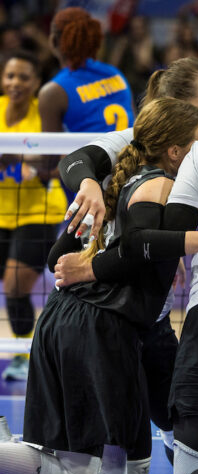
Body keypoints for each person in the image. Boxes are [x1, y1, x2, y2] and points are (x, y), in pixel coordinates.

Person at [0, 97, 198, 474]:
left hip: (64, 318)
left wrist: (99, 258)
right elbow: (140, 242)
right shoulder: (159, 183)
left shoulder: (116, 181)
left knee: (84, 462)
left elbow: (58, 258)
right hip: (102, 323)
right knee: (113, 467)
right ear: (176, 151)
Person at [54, 57, 198, 474]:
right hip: (111, 302)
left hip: (146, 304)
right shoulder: (140, 143)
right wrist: (90, 184)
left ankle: (173, 455)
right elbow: (75, 162)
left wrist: (175, 252)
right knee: (128, 417)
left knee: (169, 402)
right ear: (175, 108)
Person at [0, 50, 68, 382]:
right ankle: (22, 347)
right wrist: (18, 157)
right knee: (11, 287)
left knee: (15, 286)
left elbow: (59, 160)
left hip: (39, 212)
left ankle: (25, 350)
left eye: (24, 77)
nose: (15, 83)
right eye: (10, 76)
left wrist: (40, 169)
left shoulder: (43, 115)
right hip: (2, 213)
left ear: (36, 83)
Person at [38, 6, 135, 133]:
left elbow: (50, 151)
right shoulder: (114, 72)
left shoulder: (53, 91)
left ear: (53, 41)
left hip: (93, 153)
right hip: (131, 151)